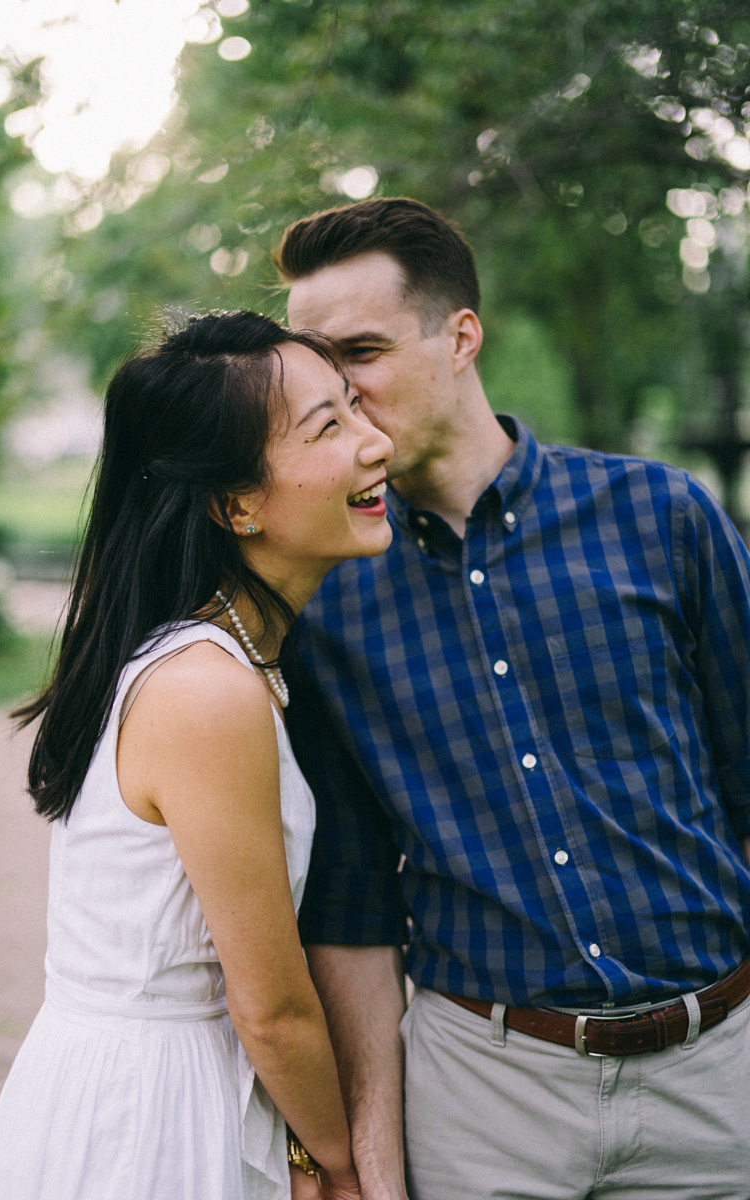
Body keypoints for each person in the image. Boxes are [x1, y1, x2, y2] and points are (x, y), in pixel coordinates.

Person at [274, 198, 750, 1200]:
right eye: (315, 363)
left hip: (719, 1076)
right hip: (483, 1093)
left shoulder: (659, 516)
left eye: (360, 350)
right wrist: (372, 1160)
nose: (338, 391)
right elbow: (352, 900)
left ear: (460, 336)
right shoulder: (325, 597)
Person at [0, 309, 394, 1200]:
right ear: (236, 503)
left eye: (357, 406)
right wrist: (340, 1162)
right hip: (155, 1121)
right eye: (329, 426)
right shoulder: (208, 689)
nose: (374, 442)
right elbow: (272, 1009)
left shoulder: (226, 657)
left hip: (151, 1080)